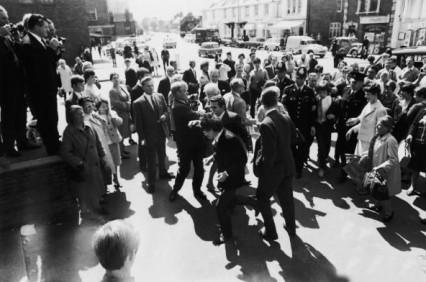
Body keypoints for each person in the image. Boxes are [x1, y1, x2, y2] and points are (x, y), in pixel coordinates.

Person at [255, 88, 297, 240]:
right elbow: (294, 138)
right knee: (287, 198)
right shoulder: (285, 117)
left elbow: (269, 155)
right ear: (277, 102)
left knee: (262, 197)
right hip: (288, 165)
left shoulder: (266, 124)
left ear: (261, 102)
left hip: (274, 170)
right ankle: (291, 228)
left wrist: (262, 172)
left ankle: (271, 232)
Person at [200, 116, 248, 245]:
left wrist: (226, 173)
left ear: (213, 129)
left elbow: (242, 160)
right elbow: (223, 151)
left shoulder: (229, 138)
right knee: (230, 201)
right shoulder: (221, 135)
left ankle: (227, 235)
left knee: (220, 207)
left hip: (232, 178)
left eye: (205, 130)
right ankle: (255, 203)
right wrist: (212, 157)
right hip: (226, 177)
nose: (204, 133)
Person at [20, 14, 61, 155]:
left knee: (53, 118)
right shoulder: (27, 42)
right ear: (36, 27)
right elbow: (37, 67)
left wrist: (56, 50)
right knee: (47, 120)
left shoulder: (39, 40)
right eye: (44, 27)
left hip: (48, 88)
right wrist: (50, 49)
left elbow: (49, 62)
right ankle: (52, 148)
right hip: (41, 91)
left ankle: (55, 143)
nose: (47, 30)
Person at [0, 6, 36, 157]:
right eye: (3, 19)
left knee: (21, 111)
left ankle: (22, 141)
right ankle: (9, 146)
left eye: (7, 18)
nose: (7, 21)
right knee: (9, 114)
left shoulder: (7, 36)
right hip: (4, 83)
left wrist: (17, 40)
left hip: (17, 80)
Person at [61, 105, 106, 221]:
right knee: (84, 192)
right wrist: (79, 162)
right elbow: (66, 153)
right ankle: (86, 214)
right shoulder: (69, 132)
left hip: (94, 165)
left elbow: (97, 142)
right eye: (78, 114)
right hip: (84, 168)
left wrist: (103, 155)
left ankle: (97, 209)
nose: (82, 115)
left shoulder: (88, 125)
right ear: (72, 117)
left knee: (95, 188)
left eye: (82, 113)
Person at [133, 76, 174, 193]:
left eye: (152, 85)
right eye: (148, 86)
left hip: (161, 133)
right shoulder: (138, 103)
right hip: (149, 136)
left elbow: (167, 110)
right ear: (142, 87)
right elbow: (138, 124)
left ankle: (163, 173)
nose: (151, 88)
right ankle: (151, 182)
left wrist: (164, 116)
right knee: (151, 160)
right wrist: (142, 139)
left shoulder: (160, 96)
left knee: (162, 155)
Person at [168, 81, 206, 202]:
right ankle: (175, 190)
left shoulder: (181, 101)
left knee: (199, 168)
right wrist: (202, 112)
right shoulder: (178, 107)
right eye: (184, 91)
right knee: (184, 169)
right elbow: (194, 115)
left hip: (196, 141)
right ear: (177, 93)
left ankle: (197, 190)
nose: (187, 92)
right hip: (185, 144)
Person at [282, 66, 316, 178]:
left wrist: (312, 125)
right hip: (291, 125)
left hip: (304, 126)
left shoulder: (310, 92)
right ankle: (292, 166)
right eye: (298, 78)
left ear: (305, 78)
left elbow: (312, 112)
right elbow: (283, 107)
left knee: (302, 148)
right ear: (295, 77)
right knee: (291, 148)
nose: (300, 80)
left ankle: (299, 169)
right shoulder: (288, 89)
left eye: (302, 78)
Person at [334, 71, 367, 181]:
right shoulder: (346, 90)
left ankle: (346, 174)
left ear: (361, 83)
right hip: (342, 126)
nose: (352, 84)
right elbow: (341, 107)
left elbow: (363, 114)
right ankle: (342, 167)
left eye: (356, 82)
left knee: (350, 151)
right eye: (352, 81)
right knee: (342, 148)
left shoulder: (364, 96)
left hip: (354, 128)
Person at [80, 97, 115, 190]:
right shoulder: (83, 120)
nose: (91, 107)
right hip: (93, 147)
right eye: (87, 106)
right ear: (81, 107)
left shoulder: (94, 115)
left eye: (92, 105)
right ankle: (100, 192)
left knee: (104, 167)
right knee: (97, 170)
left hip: (101, 144)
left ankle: (104, 188)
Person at [346, 83, 387, 157]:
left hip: (370, 144)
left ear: (375, 95)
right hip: (362, 140)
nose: (365, 96)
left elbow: (381, 130)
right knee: (357, 163)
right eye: (365, 94)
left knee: (365, 165)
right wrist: (352, 129)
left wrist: (375, 146)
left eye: (368, 94)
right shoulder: (368, 104)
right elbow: (364, 122)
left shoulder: (380, 110)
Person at [96, 99, 124, 190]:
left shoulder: (112, 113)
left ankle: (116, 179)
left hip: (113, 142)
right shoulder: (95, 116)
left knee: (115, 162)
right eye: (103, 106)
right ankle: (106, 183)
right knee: (106, 164)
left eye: (106, 106)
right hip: (103, 144)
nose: (105, 108)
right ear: (98, 108)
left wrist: (113, 117)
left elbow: (119, 123)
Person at [315, 81, 339, 177]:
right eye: (320, 92)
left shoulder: (332, 101)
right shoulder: (316, 100)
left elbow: (338, 113)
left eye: (324, 92)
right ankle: (322, 167)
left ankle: (323, 158)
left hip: (328, 127)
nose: (322, 94)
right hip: (318, 126)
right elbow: (312, 114)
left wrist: (334, 116)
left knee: (327, 145)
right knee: (321, 146)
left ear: (328, 92)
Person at [109, 73, 132, 158]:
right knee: (121, 133)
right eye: (114, 78)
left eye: (117, 77)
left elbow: (128, 97)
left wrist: (129, 103)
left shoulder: (122, 87)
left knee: (125, 132)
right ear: (111, 80)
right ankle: (121, 153)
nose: (116, 79)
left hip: (126, 113)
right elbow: (115, 103)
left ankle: (123, 149)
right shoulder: (112, 91)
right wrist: (128, 105)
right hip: (119, 114)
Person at [406, 106, 426, 197]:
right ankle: (412, 186)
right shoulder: (423, 110)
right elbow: (414, 124)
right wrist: (410, 134)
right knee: (416, 166)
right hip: (418, 143)